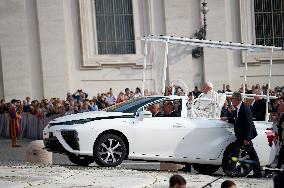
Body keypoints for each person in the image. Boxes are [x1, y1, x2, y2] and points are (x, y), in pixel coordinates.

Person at [230, 92, 262, 178]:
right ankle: (257, 173)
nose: (231, 100)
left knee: (236, 151)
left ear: (237, 99)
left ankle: (233, 169)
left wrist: (247, 138)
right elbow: (237, 119)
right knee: (252, 155)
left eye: (232, 99)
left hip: (244, 137)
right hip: (241, 136)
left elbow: (249, 123)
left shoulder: (244, 107)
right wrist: (227, 118)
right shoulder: (238, 108)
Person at [276, 102, 284, 169]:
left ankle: (278, 166)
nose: (278, 108)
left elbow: (282, 125)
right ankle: (278, 166)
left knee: (282, 152)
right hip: (282, 136)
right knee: (281, 152)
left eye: (280, 106)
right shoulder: (282, 114)